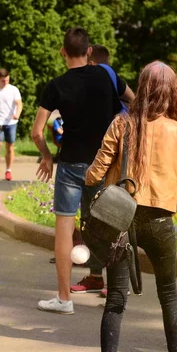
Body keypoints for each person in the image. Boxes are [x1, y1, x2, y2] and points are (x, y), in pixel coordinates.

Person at [86, 61, 177, 352]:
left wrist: (92, 175)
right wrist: (170, 204)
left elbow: (94, 173)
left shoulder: (122, 124)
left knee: (117, 298)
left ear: (143, 87)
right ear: (172, 92)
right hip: (160, 221)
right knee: (169, 293)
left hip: (120, 219)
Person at [31, 27, 134, 314]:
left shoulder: (55, 86)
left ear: (63, 52)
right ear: (89, 52)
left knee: (64, 229)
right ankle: (115, 293)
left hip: (70, 165)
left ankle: (64, 299)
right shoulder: (104, 75)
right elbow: (134, 102)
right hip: (103, 164)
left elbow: (37, 131)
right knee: (110, 225)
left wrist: (46, 156)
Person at [70, 44, 128, 297]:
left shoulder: (97, 75)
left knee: (92, 217)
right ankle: (108, 278)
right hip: (116, 160)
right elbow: (135, 102)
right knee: (113, 216)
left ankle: (97, 277)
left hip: (94, 158)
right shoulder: (112, 77)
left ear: (90, 60)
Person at [0, 68, 22, 181]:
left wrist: (17, 114)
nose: (5, 82)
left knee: (9, 147)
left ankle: (8, 170)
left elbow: (19, 103)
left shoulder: (13, 90)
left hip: (11, 122)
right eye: (3, 81)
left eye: (7, 80)